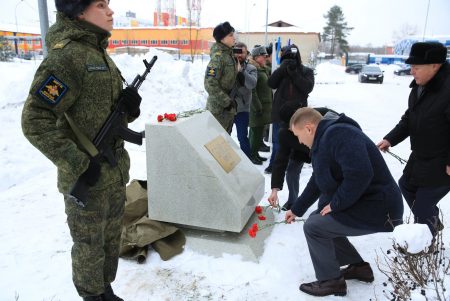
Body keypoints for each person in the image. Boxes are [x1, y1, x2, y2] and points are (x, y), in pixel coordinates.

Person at [21, 1, 140, 300]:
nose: (110, 11)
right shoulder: (67, 57)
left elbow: (104, 115)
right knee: (88, 245)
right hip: (87, 177)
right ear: (79, 11)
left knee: (110, 241)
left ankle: (105, 290)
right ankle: (92, 295)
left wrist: (129, 108)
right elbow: (35, 120)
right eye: (101, 5)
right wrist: (78, 163)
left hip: (112, 174)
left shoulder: (99, 53)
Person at [286, 108, 404, 297]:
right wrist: (297, 209)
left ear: (308, 129)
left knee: (315, 226)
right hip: (368, 202)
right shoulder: (325, 139)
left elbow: (360, 174)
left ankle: (331, 281)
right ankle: (359, 268)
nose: (299, 142)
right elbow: (318, 179)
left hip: (380, 207)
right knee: (321, 218)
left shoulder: (339, 134)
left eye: (298, 136)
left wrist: (336, 204)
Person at [377, 42, 450, 236]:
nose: (412, 71)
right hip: (421, 156)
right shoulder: (419, 88)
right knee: (406, 186)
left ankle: (426, 242)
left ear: (435, 65)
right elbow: (410, 118)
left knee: (423, 204)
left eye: (416, 67)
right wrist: (390, 139)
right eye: (411, 66)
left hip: (442, 160)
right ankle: (431, 224)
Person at [268, 105, 336, 211]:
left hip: (322, 151)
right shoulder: (285, 134)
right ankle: (292, 201)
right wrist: (274, 189)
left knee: (324, 176)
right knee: (291, 172)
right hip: (301, 152)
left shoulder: (320, 116)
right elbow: (280, 161)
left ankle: (328, 203)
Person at [265, 44, 314, 174]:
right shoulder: (281, 71)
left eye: (292, 57)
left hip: (299, 114)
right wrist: (282, 69)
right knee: (277, 141)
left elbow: (307, 88)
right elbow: (271, 83)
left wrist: (295, 74)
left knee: (298, 141)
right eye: (287, 57)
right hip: (280, 113)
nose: (290, 59)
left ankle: (293, 166)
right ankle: (274, 165)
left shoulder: (306, 71)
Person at [204, 21, 238, 133]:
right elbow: (210, 84)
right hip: (218, 111)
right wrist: (226, 102)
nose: (234, 37)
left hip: (227, 110)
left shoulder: (229, 55)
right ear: (222, 39)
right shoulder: (218, 58)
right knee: (214, 144)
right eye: (231, 35)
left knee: (224, 143)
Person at [231, 42, 257, 158]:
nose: (239, 55)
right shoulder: (228, 67)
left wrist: (241, 71)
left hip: (242, 109)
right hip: (228, 107)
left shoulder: (251, 68)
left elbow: (252, 84)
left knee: (242, 137)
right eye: (237, 52)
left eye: (242, 52)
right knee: (224, 136)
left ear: (247, 54)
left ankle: (247, 161)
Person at [248, 46, 272, 165]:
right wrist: (257, 106)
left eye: (266, 56)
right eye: (264, 56)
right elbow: (253, 91)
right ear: (257, 57)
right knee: (255, 133)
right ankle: (251, 155)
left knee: (258, 132)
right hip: (257, 108)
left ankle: (255, 153)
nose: (265, 58)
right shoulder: (253, 69)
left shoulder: (262, 69)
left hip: (263, 107)